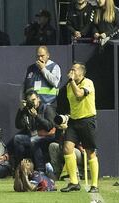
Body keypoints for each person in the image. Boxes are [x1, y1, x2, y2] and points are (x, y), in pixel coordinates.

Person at [60, 63, 99, 193]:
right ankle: (74, 182)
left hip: (87, 120)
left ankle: (94, 185)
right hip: (74, 121)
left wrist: (71, 81)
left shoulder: (88, 83)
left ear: (81, 73)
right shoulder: (68, 86)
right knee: (67, 148)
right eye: (70, 69)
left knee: (90, 152)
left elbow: (79, 94)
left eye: (74, 70)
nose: (71, 71)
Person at [10, 90, 56, 174]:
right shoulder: (27, 110)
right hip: (33, 136)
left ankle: (41, 170)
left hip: (47, 136)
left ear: (38, 99)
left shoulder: (46, 108)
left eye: (34, 100)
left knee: (33, 140)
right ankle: (21, 168)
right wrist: (21, 110)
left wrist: (36, 116)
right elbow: (18, 125)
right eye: (30, 101)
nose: (33, 102)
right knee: (17, 138)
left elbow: (49, 126)